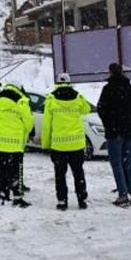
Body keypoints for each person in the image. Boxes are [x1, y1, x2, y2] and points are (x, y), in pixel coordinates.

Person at [43, 73, 91, 211]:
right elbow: (87, 109)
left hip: (59, 146)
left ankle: (62, 201)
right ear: (69, 83)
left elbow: (47, 125)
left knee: (60, 175)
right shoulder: (77, 98)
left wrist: (46, 144)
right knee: (78, 173)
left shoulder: (51, 100)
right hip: (76, 145)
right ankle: (82, 200)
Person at [97, 63, 131, 208]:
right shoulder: (130, 88)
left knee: (116, 163)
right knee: (128, 161)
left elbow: (100, 108)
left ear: (110, 72)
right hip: (129, 130)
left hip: (114, 131)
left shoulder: (108, 89)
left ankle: (123, 194)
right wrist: (128, 115)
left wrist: (109, 120)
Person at [0, 82, 33, 207]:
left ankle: (4, 194)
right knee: (16, 172)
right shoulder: (21, 102)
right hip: (14, 146)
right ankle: (17, 197)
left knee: (1, 171)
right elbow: (29, 123)